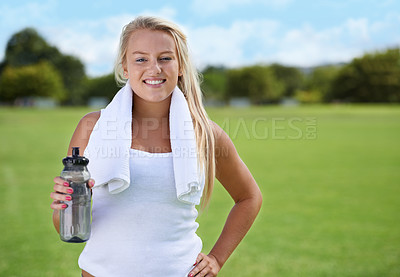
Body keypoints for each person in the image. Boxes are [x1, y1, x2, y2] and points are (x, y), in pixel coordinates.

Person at [50, 16, 262, 277]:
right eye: (141, 59)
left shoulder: (205, 134)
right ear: (125, 67)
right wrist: (64, 205)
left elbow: (249, 198)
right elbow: (65, 226)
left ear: (180, 66)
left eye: (165, 58)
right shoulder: (92, 128)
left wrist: (217, 258)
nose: (154, 69)